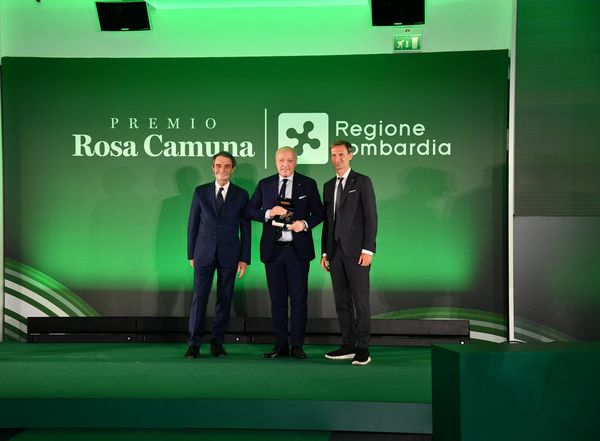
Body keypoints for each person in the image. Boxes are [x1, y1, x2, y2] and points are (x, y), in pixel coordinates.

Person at [245, 147, 324, 359]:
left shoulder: (308, 184)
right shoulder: (265, 184)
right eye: (281, 160)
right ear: (275, 161)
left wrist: (304, 224)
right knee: (277, 301)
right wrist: (269, 213)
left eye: (289, 160)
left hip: (298, 252)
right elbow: (249, 210)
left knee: (299, 301)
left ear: (296, 162)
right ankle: (280, 345)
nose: (285, 164)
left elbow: (319, 213)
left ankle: (297, 346)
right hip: (273, 251)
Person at [185, 151, 251, 358]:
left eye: (227, 166)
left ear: (233, 169)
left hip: (230, 254)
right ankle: (193, 344)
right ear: (213, 168)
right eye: (219, 166)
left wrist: (244, 258)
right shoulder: (200, 192)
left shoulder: (241, 194)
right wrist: (191, 254)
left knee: (224, 298)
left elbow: (246, 228)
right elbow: (192, 225)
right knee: (200, 297)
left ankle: (217, 343)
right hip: (203, 253)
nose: (223, 170)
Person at [320, 140, 377, 366]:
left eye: (341, 154)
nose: (337, 159)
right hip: (335, 253)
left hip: (357, 253)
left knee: (360, 302)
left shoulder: (362, 181)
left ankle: (363, 348)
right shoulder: (327, 186)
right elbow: (328, 222)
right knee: (341, 302)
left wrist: (368, 249)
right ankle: (348, 344)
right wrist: (325, 252)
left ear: (350, 155)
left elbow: (371, 217)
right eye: (333, 155)